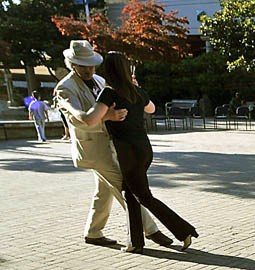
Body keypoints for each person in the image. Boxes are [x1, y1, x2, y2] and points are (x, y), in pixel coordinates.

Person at [65, 51, 198, 253]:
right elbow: (151, 109)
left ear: (108, 71)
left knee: (144, 197)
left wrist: (74, 108)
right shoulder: (137, 91)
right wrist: (136, 89)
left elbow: (90, 119)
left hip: (128, 153)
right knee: (130, 194)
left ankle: (183, 230)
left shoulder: (109, 93)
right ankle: (135, 243)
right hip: (144, 149)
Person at [54, 40, 173, 248]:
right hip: (93, 148)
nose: (88, 69)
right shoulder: (65, 88)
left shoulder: (100, 80)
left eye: (91, 64)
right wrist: (108, 116)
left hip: (114, 145)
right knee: (125, 187)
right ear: (72, 64)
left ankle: (93, 232)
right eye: (83, 65)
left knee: (104, 190)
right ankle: (151, 230)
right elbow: (78, 122)